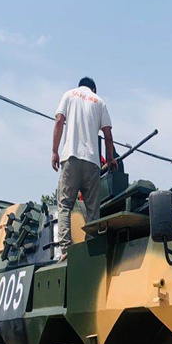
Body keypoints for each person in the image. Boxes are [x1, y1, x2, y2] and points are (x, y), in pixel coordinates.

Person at [52, 77, 116, 259]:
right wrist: (110, 159)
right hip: (92, 162)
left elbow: (58, 122)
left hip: (70, 158)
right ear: (93, 89)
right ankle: (90, 250)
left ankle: (65, 250)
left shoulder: (68, 95)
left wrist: (54, 151)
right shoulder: (99, 102)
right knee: (93, 210)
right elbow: (108, 135)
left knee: (65, 205)